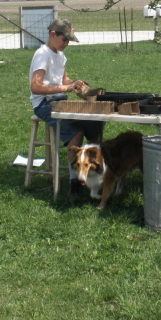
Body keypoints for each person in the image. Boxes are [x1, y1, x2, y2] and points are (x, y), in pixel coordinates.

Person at [29, 18, 102, 196]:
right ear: (53, 34)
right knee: (75, 131)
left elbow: (64, 80)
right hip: (44, 103)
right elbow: (36, 86)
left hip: (59, 100)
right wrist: (65, 87)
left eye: (69, 40)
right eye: (64, 39)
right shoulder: (42, 54)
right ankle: (74, 183)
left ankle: (94, 170)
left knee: (94, 122)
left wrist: (74, 84)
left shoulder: (60, 55)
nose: (66, 44)